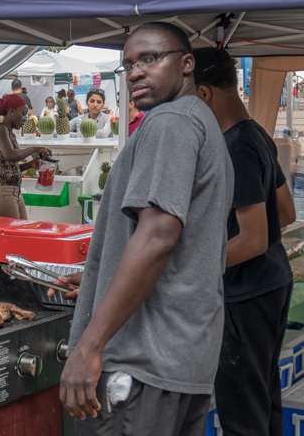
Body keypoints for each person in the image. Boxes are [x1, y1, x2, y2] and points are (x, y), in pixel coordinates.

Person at [59, 22, 234, 436]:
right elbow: (181, 244)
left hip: (144, 360)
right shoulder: (199, 121)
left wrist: (90, 345)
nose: (136, 72)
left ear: (187, 64)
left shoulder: (170, 122)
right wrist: (97, 280)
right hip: (180, 355)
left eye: (150, 59)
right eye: (128, 65)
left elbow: (158, 237)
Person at [193, 47, 295, 436]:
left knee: (242, 413)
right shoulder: (257, 135)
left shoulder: (234, 147)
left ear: (204, 94)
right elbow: (286, 213)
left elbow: (253, 240)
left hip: (246, 293)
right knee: (263, 398)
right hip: (273, 282)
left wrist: (194, 261)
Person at [0, 94, 51, 219]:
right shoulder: (0, 129)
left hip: (14, 192)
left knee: (23, 231)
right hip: (3, 192)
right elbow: (10, 156)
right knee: (15, 234)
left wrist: (29, 165)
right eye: (23, 114)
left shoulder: (9, 133)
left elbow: (7, 167)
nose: (24, 119)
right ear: (12, 111)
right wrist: (34, 148)